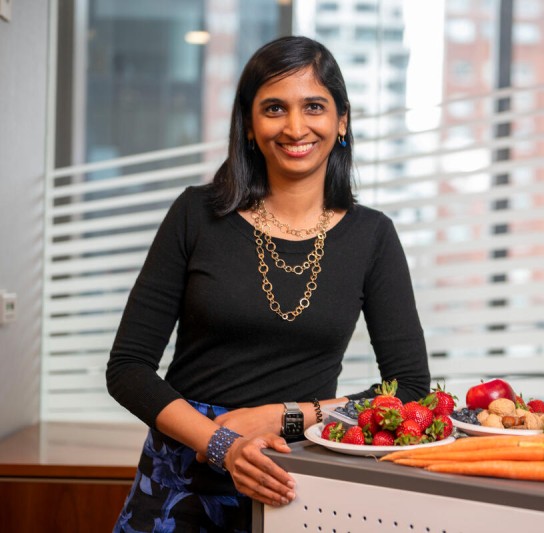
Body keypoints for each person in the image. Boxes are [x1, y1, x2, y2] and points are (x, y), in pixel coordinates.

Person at [106, 35, 431, 532]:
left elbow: (408, 390)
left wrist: (285, 417)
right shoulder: (197, 214)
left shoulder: (372, 236)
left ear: (341, 121)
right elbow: (127, 368)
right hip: (184, 473)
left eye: (314, 107)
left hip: (296, 480)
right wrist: (223, 446)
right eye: (275, 108)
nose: (295, 127)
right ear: (251, 126)